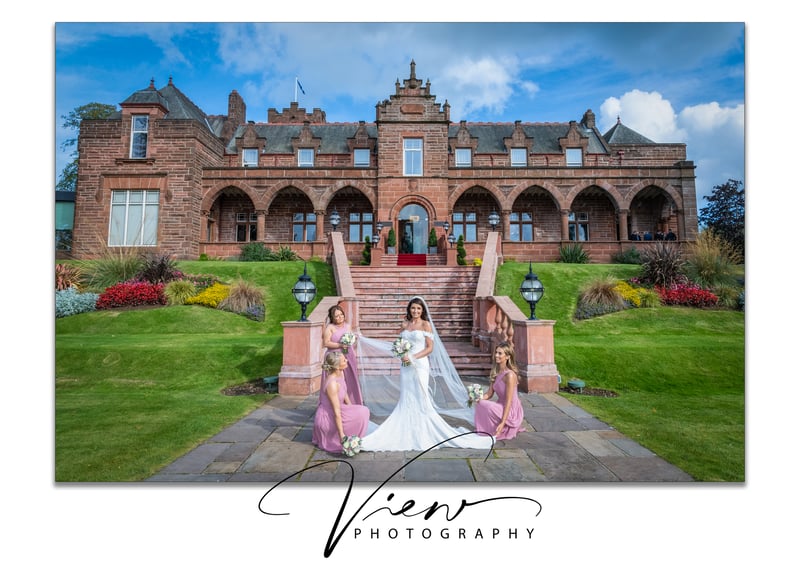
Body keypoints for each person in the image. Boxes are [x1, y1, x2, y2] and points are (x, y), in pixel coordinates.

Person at [357, 296, 494, 451]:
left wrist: (413, 357)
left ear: (422, 310)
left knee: (420, 394)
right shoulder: (405, 324)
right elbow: (398, 343)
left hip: (420, 364)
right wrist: (401, 353)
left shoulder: (426, 325)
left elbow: (430, 348)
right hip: (406, 366)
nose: (415, 311)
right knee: (407, 394)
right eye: (413, 308)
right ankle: (406, 426)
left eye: (418, 308)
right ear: (409, 309)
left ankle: (423, 428)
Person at [312, 351, 370, 454]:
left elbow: (344, 391)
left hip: (339, 408)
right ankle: (345, 438)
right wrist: (342, 436)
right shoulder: (332, 384)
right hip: (328, 416)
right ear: (337, 367)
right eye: (344, 360)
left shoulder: (340, 373)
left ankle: (355, 434)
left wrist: (352, 409)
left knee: (362, 411)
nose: (347, 360)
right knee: (363, 412)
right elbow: (336, 413)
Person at [474, 342, 525, 440]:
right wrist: (477, 398)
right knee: (481, 403)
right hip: (500, 405)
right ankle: (489, 428)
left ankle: (503, 425)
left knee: (486, 405)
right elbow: (489, 394)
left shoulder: (510, 375)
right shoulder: (496, 372)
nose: (496, 355)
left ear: (508, 357)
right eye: (496, 352)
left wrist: (502, 422)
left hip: (511, 409)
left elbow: (509, 401)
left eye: (500, 353)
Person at [323, 304, 363, 405]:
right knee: (338, 380)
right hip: (335, 358)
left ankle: (352, 402)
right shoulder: (330, 328)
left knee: (350, 379)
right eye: (337, 316)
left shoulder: (347, 326)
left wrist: (353, 340)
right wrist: (340, 345)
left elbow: (350, 339)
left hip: (348, 355)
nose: (340, 317)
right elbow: (326, 343)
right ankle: (337, 404)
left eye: (341, 314)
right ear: (332, 317)